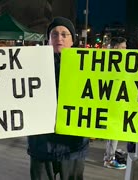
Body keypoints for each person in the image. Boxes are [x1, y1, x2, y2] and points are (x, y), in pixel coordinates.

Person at [27, 17, 89, 180]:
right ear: (48, 40)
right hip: (41, 144)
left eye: (64, 34)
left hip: (73, 145)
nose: (59, 38)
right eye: (54, 34)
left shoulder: (87, 68)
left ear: (72, 40)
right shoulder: (30, 65)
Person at [103, 37, 127, 170]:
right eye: (123, 47)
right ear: (115, 47)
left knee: (113, 131)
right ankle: (109, 158)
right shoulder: (111, 62)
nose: (125, 50)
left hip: (115, 101)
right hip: (112, 102)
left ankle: (109, 156)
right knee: (114, 130)